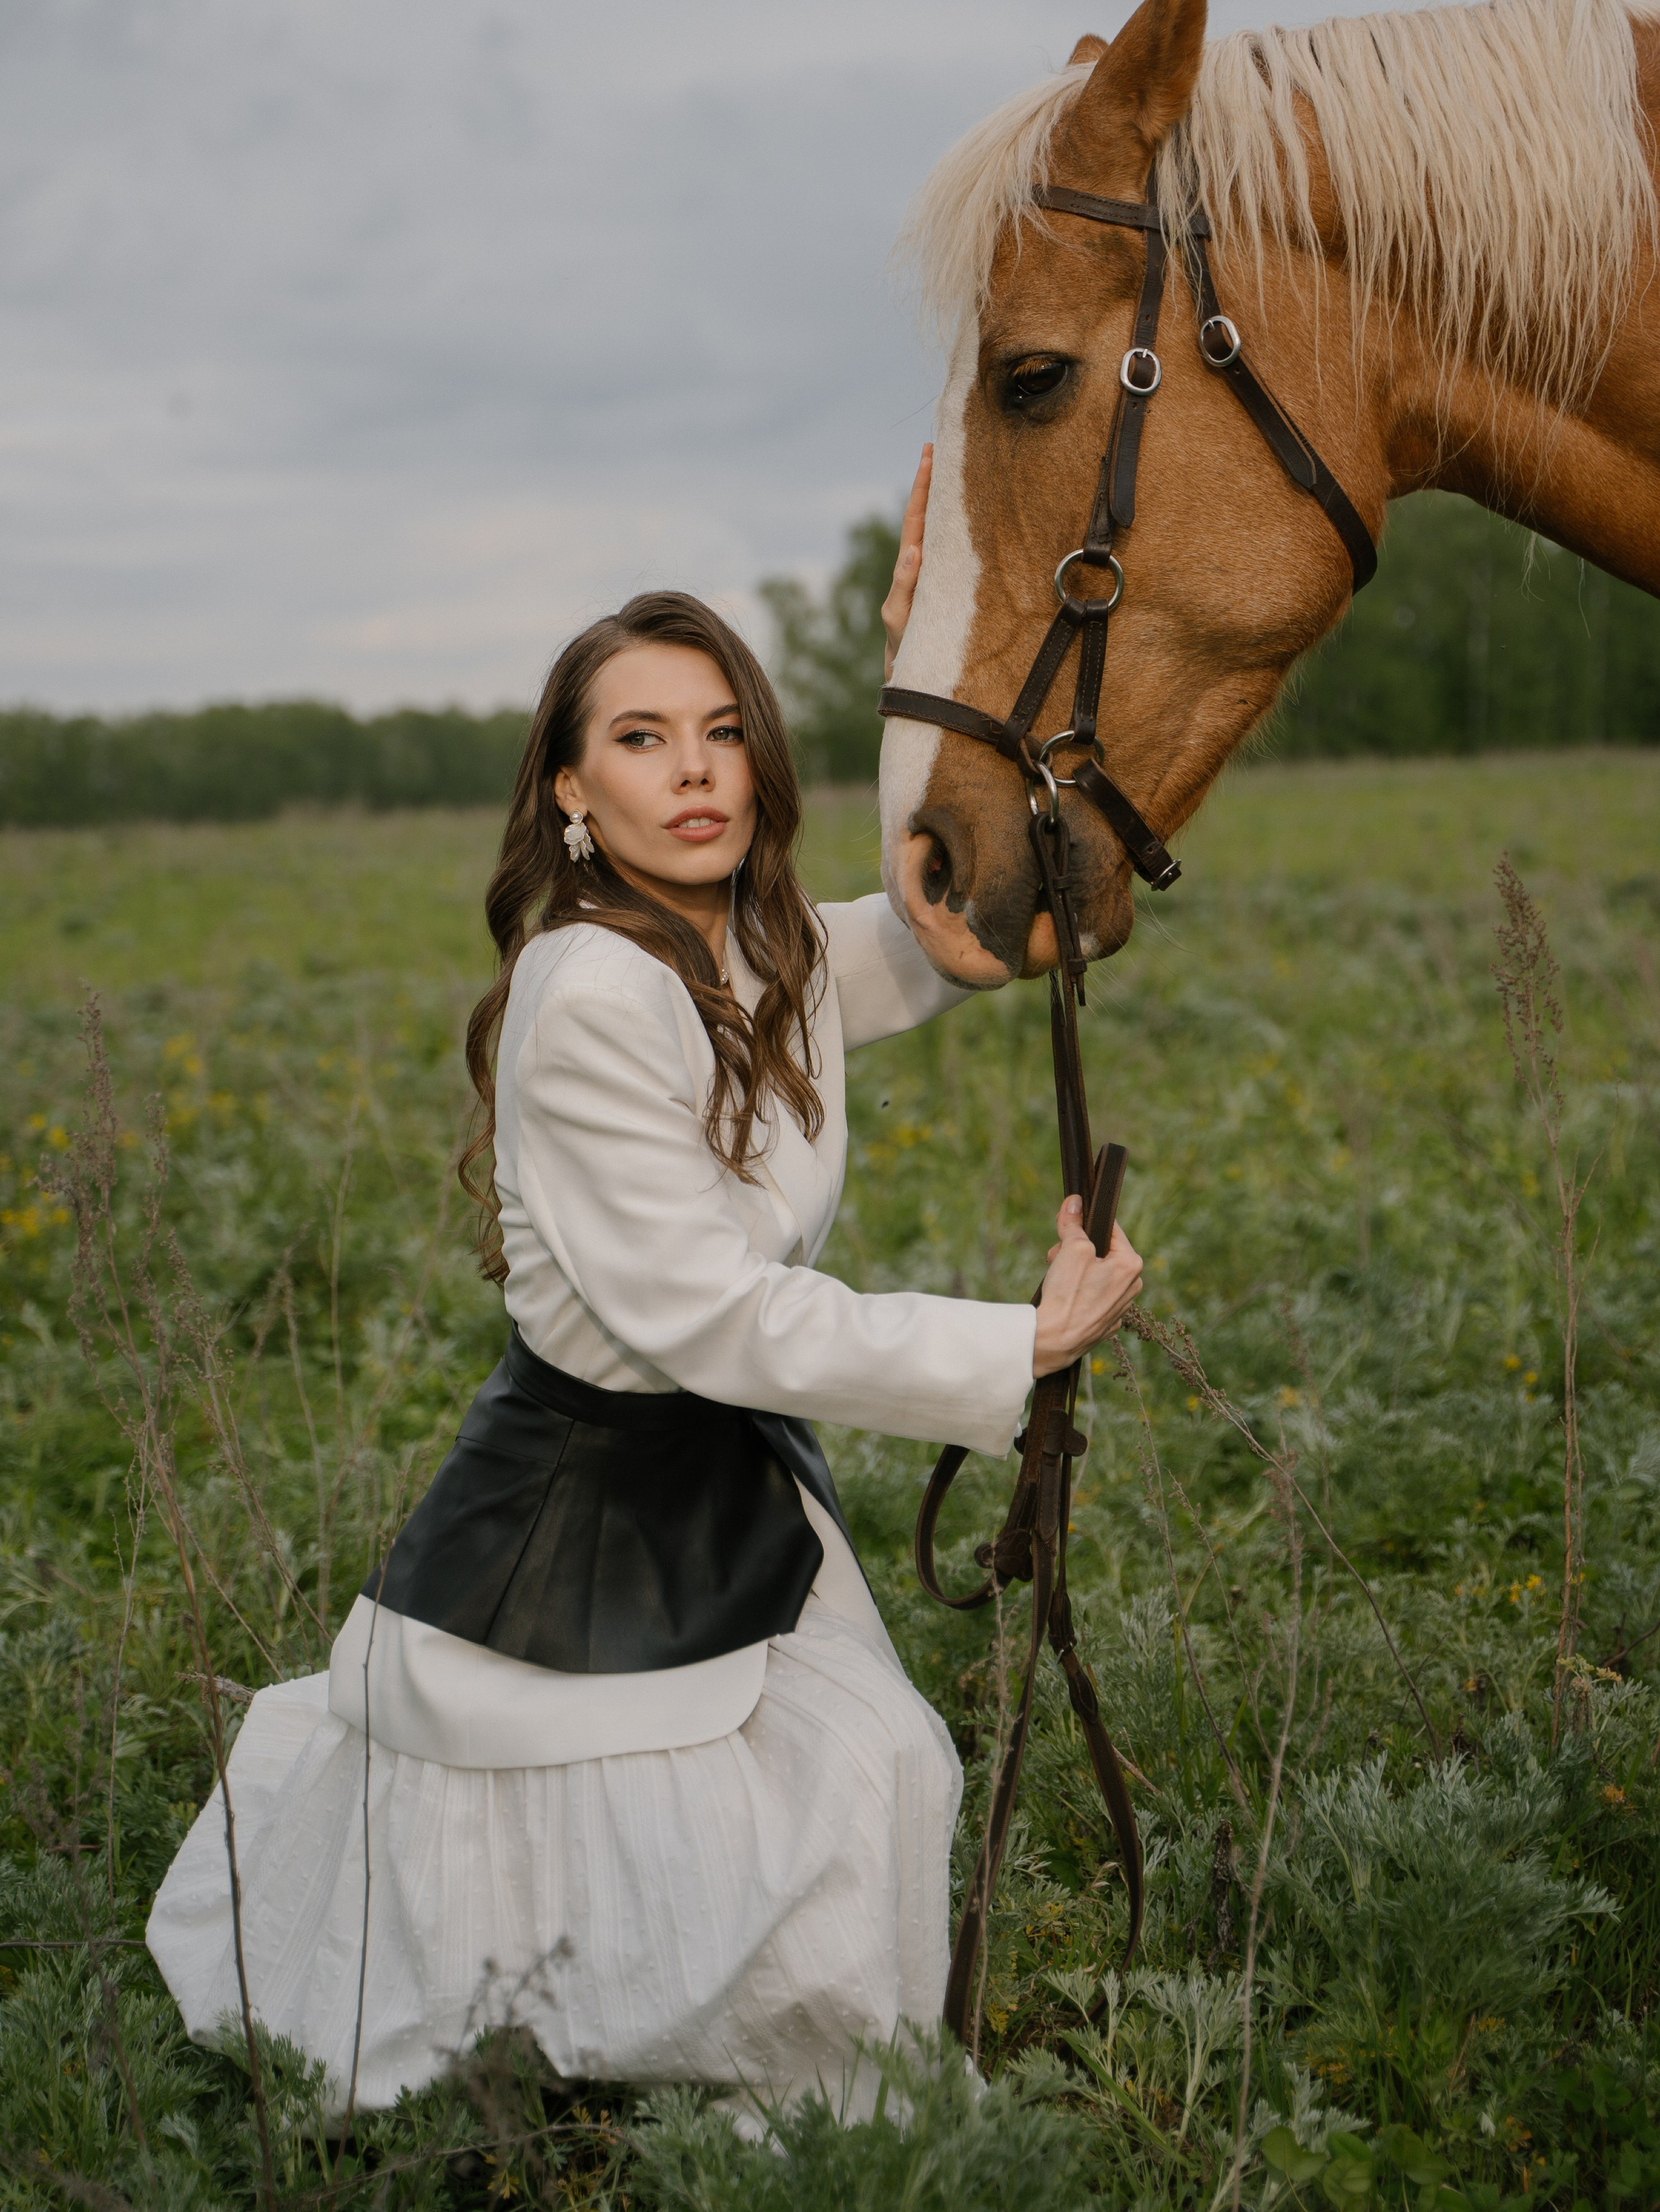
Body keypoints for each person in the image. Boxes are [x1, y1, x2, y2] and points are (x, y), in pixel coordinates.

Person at [147, 454, 1142, 2123]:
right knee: (707, 1811)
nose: (693, 773)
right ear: (565, 792)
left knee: (867, 1773)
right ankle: (682, 2105)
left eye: (722, 730)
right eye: (638, 739)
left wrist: (947, 663)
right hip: (592, 1477)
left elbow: (953, 923)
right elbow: (714, 1317)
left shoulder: (760, 952)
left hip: (728, 1463)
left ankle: (800, 2103)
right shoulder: (588, 987)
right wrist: (1012, 1344)